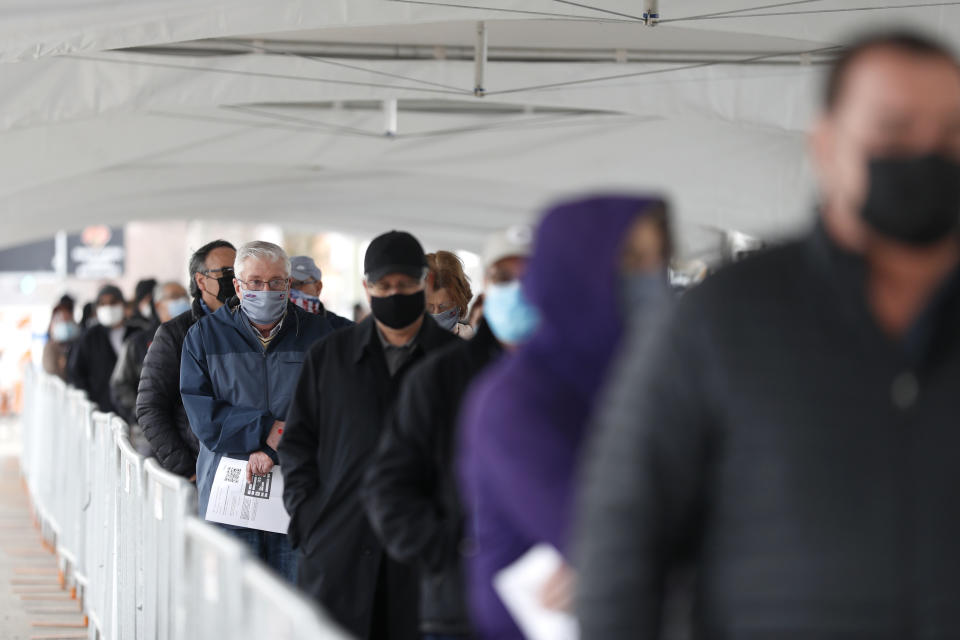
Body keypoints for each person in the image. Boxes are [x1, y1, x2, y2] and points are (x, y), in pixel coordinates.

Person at [575, 31, 960, 638]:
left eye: (950, 135)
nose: (926, 154)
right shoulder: (724, 318)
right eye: (894, 131)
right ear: (827, 145)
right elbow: (622, 541)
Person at [457, 196, 672, 639]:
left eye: (658, 259)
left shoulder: (645, 379)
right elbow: (602, 542)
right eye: (631, 259)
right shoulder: (514, 401)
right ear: (575, 269)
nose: (649, 276)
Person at [279, 230, 458, 640]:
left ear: (425, 283)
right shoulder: (330, 356)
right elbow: (298, 442)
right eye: (384, 286)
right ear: (367, 287)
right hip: (338, 547)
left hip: (425, 554)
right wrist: (308, 514)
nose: (395, 294)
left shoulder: (456, 362)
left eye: (406, 285)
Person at [362, 226, 533, 640]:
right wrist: (450, 552)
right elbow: (389, 487)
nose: (519, 289)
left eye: (532, 276)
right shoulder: (439, 377)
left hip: (559, 606)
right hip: (460, 608)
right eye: (505, 278)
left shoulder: (589, 377)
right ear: (488, 288)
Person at [181, 241, 336, 581]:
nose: (266, 290)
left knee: (295, 600)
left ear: (288, 284)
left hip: (298, 493)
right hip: (230, 497)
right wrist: (267, 431)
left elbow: (331, 408)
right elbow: (203, 416)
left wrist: (274, 446)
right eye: (255, 282)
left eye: (276, 282)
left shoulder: (319, 336)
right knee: (233, 602)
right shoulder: (204, 337)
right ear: (237, 285)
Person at [137, 240, 236, 480]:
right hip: (198, 468)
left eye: (239, 272)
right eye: (226, 273)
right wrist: (186, 468)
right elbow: (150, 406)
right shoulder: (175, 334)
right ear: (201, 280)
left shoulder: (253, 328)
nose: (234, 280)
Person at [110, 281, 189, 429]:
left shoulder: (195, 336)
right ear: (158, 305)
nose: (182, 301)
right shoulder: (138, 343)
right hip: (149, 429)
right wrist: (143, 414)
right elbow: (120, 385)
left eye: (184, 296)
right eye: (174, 296)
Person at [67, 284, 137, 413]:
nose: (109, 307)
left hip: (135, 410)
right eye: (103, 304)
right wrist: (90, 403)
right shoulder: (88, 338)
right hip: (101, 413)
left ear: (123, 304)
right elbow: (76, 373)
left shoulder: (137, 334)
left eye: (113, 302)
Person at [288, 255, 353, 328]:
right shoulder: (276, 330)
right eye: (285, 285)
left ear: (318, 287)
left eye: (296, 284)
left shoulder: (342, 329)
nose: (289, 291)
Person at [425, 251, 475, 339]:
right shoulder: (400, 346)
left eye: (444, 306)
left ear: (460, 301)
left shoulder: (472, 343)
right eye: (428, 306)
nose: (436, 313)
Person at [42, 303, 81, 380]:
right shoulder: (50, 348)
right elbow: (52, 371)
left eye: (68, 320)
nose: (65, 325)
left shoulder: (79, 344)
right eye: (61, 320)